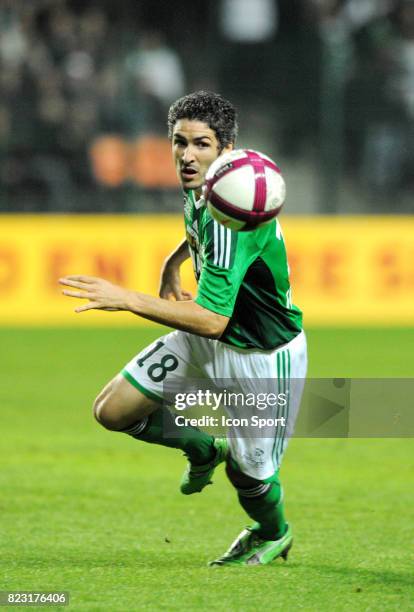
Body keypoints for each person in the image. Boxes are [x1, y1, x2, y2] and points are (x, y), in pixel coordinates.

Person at [60, 90, 307, 566]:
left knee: (250, 476)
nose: (187, 156)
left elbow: (214, 320)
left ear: (226, 149)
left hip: (260, 354)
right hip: (203, 338)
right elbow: (197, 228)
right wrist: (174, 262)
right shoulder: (207, 184)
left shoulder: (236, 209)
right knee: (112, 410)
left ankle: (271, 532)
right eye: (179, 142)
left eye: (201, 144)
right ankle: (201, 447)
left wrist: (130, 299)